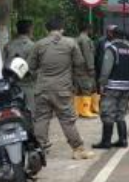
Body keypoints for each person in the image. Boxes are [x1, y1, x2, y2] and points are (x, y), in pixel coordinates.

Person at [28, 17, 94, 160]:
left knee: (41, 119)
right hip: (62, 89)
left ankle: (39, 151)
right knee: (67, 120)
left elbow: (30, 68)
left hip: (42, 89)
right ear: (62, 29)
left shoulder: (38, 45)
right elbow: (80, 64)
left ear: (47, 30)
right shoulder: (70, 43)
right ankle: (78, 149)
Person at [93, 28, 129, 149]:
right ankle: (123, 140)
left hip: (112, 87)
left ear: (112, 35)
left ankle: (106, 142)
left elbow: (106, 69)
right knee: (120, 113)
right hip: (126, 86)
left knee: (107, 113)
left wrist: (102, 84)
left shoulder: (111, 49)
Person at [3, 19, 36, 117]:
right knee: (30, 113)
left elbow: (3, 64)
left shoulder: (8, 45)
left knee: (13, 113)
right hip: (28, 85)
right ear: (30, 29)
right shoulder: (33, 46)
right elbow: (35, 68)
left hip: (11, 85)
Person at [74, 23, 98, 119]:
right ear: (88, 29)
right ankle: (85, 110)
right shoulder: (86, 40)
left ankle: (78, 110)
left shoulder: (76, 39)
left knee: (78, 89)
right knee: (87, 89)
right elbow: (88, 55)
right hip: (85, 69)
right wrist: (91, 68)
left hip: (77, 69)